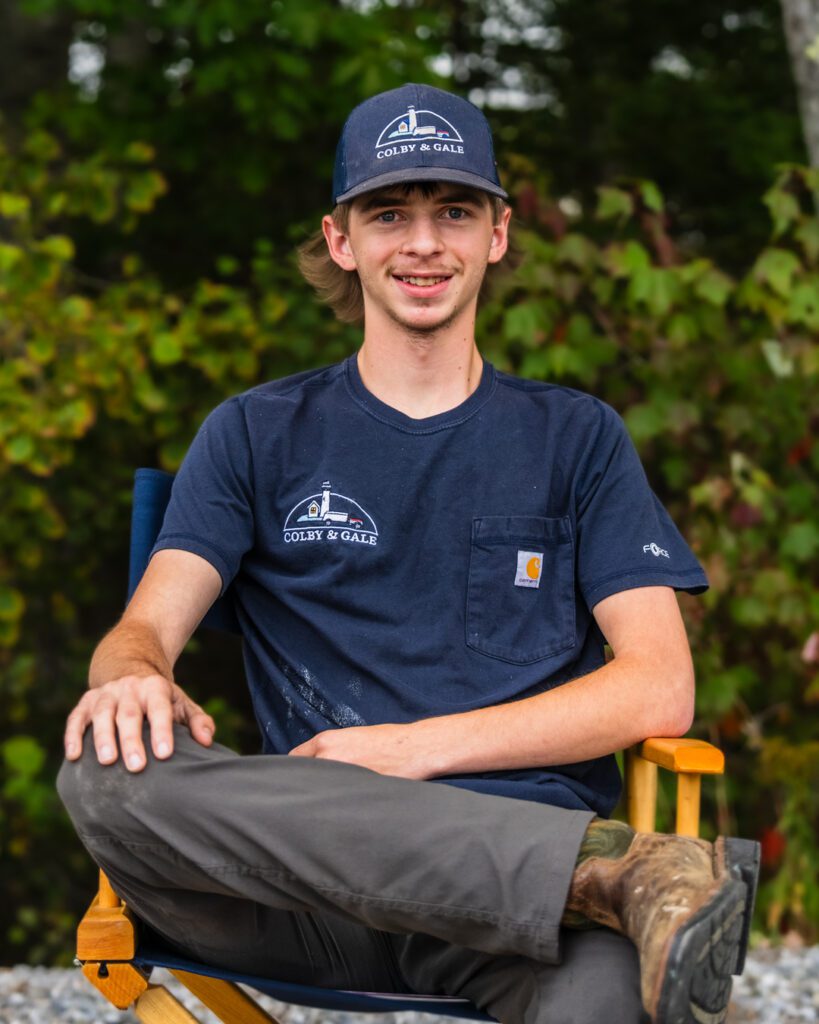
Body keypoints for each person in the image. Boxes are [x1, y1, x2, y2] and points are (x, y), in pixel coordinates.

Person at [58, 84, 757, 1024]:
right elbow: (141, 631)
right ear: (342, 240)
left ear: (496, 235)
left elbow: (657, 687)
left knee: (622, 1003)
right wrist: (132, 676)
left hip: (531, 904)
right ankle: (617, 873)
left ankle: (594, 879)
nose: (422, 242)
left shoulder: (575, 438)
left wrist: (407, 752)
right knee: (106, 772)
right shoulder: (256, 434)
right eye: (390, 213)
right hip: (306, 890)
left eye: (454, 212)